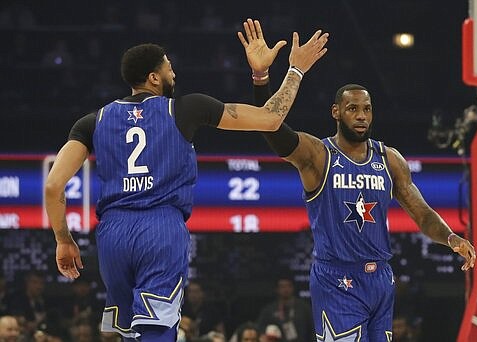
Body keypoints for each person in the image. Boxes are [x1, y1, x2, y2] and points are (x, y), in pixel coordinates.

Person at [44, 25, 329, 341]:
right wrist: (295, 70)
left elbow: (53, 186)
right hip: (160, 228)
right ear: (154, 77)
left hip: (112, 233)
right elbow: (270, 119)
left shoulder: (92, 121)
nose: (173, 73)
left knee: (129, 335)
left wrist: (63, 238)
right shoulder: (186, 108)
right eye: (168, 66)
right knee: (157, 332)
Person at [237, 19, 477, 341]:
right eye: (352, 108)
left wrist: (450, 238)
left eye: (366, 108)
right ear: (336, 112)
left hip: (380, 278)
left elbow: (421, 212)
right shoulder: (318, 154)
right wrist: (262, 78)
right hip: (336, 279)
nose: (361, 115)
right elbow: (271, 129)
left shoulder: (389, 158)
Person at [256, 276, 314, 342]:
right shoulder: (269, 311)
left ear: (293, 288)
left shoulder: (304, 308)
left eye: (288, 286)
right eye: (282, 286)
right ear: (277, 289)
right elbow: (260, 329)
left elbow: (313, 330)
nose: (286, 289)